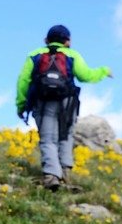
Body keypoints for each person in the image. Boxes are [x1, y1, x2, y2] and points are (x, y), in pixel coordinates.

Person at [16, 25, 113, 190]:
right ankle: (65, 173)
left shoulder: (35, 55)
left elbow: (23, 81)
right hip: (67, 102)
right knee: (65, 136)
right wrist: (104, 71)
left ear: (46, 40)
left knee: (48, 138)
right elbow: (85, 76)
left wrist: (21, 104)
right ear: (68, 41)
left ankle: (51, 176)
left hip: (43, 101)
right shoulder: (72, 55)